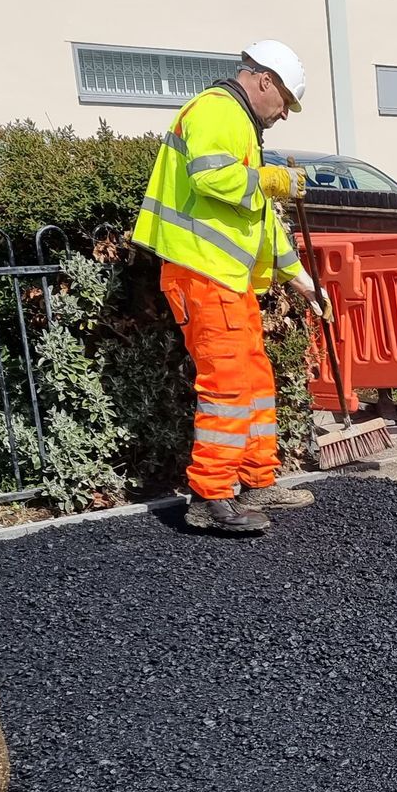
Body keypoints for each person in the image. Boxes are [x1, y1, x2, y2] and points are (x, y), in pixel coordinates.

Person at [134, 39, 331, 536]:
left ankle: (257, 480)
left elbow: (260, 224)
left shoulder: (240, 124)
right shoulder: (218, 109)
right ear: (265, 80)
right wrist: (273, 179)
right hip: (202, 274)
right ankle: (210, 496)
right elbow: (211, 178)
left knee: (255, 381)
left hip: (226, 277)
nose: (284, 114)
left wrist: (302, 280)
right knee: (227, 386)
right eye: (285, 102)